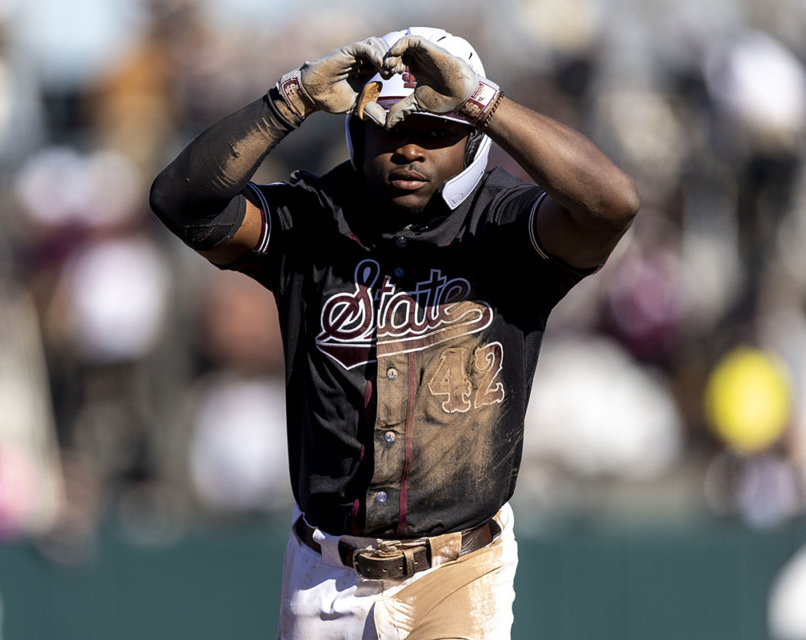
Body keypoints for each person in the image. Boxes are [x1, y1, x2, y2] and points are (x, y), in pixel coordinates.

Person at [150, 26, 639, 640]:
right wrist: (291, 99)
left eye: (436, 134)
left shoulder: (508, 226)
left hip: (458, 569)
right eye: (391, 131)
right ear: (358, 131)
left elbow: (613, 204)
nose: (410, 150)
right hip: (322, 575)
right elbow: (181, 202)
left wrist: (483, 102)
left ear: (472, 141)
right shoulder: (313, 218)